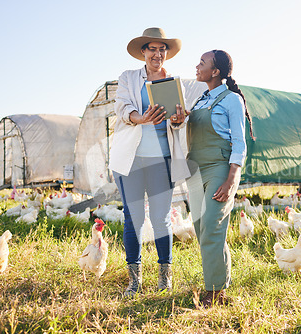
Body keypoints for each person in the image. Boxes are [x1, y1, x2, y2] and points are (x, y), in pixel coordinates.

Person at [109, 27, 190, 297]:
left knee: (161, 219)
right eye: (152, 49)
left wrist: (179, 120)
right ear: (143, 52)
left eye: (162, 49)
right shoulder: (129, 78)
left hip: (160, 159)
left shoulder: (174, 82)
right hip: (132, 159)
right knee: (133, 219)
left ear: (167, 53)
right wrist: (140, 118)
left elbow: (180, 124)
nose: (158, 54)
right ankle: (134, 281)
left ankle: (164, 278)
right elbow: (121, 109)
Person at [175, 50, 255, 308]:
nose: (197, 66)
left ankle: (215, 291)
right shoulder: (200, 101)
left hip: (220, 167)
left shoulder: (232, 100)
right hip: (195, 168)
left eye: (202, 63)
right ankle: (219, 281)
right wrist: (179, 120)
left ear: (216, 71)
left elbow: (239, 142)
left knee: (212, 225)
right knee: (201, 229)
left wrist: (232, 179)